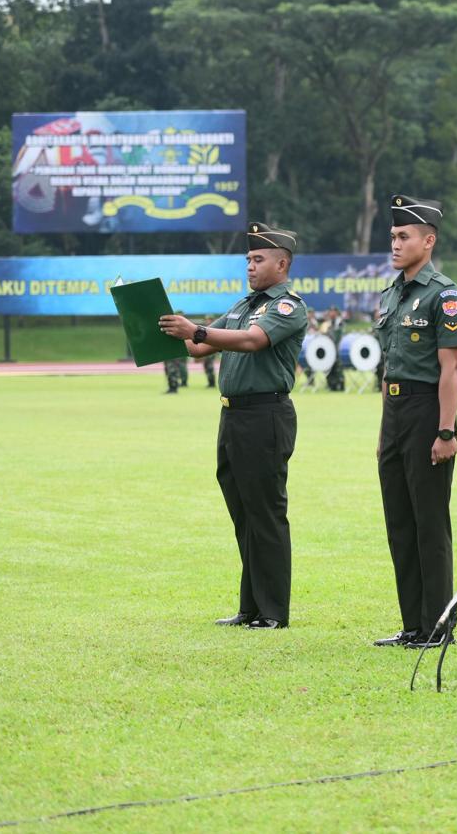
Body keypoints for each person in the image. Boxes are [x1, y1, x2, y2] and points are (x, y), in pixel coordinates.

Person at [159, 222, 308, 630]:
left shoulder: (286, 306)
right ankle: (251, 608)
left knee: (266, 513)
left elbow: (252, 341)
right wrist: (160, 326)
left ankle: (274, 611)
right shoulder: (243, 306)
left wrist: (199, 330)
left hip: (265, 416)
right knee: (243, 513)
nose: (251, 266)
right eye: (248, 259)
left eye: (258, 259)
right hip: (234, 416)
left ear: (282, 263)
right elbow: (197, 348)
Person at [371, 195, 457, 649]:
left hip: (428, 410)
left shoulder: (443, 295)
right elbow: (391, 367)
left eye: (403, 236)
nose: (394, 243)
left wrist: (446, 430)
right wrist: (383, 433)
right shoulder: (393, 293)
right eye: (392, 236)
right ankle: (412, 624)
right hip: (394, 414)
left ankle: (437, 625)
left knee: (430, 522)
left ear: (428, 241)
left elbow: (450, 368)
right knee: (400, 522)